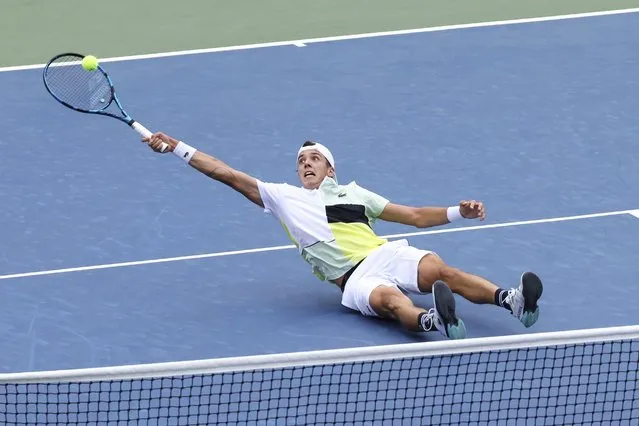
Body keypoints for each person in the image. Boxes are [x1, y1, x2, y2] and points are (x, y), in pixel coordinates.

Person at [142, 133, 543, 340]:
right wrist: (178, 147)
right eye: (301, 161)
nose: (305, 164)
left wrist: (459, 212)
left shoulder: (356, 193)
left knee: (440, 270)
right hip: (354, 279)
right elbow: (226, 173)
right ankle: (431, 320)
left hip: (383, 254)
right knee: (390, 300)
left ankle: (513, 301)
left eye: (313, 158)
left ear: (329, 169)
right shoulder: (283, 198)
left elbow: (416, 216)